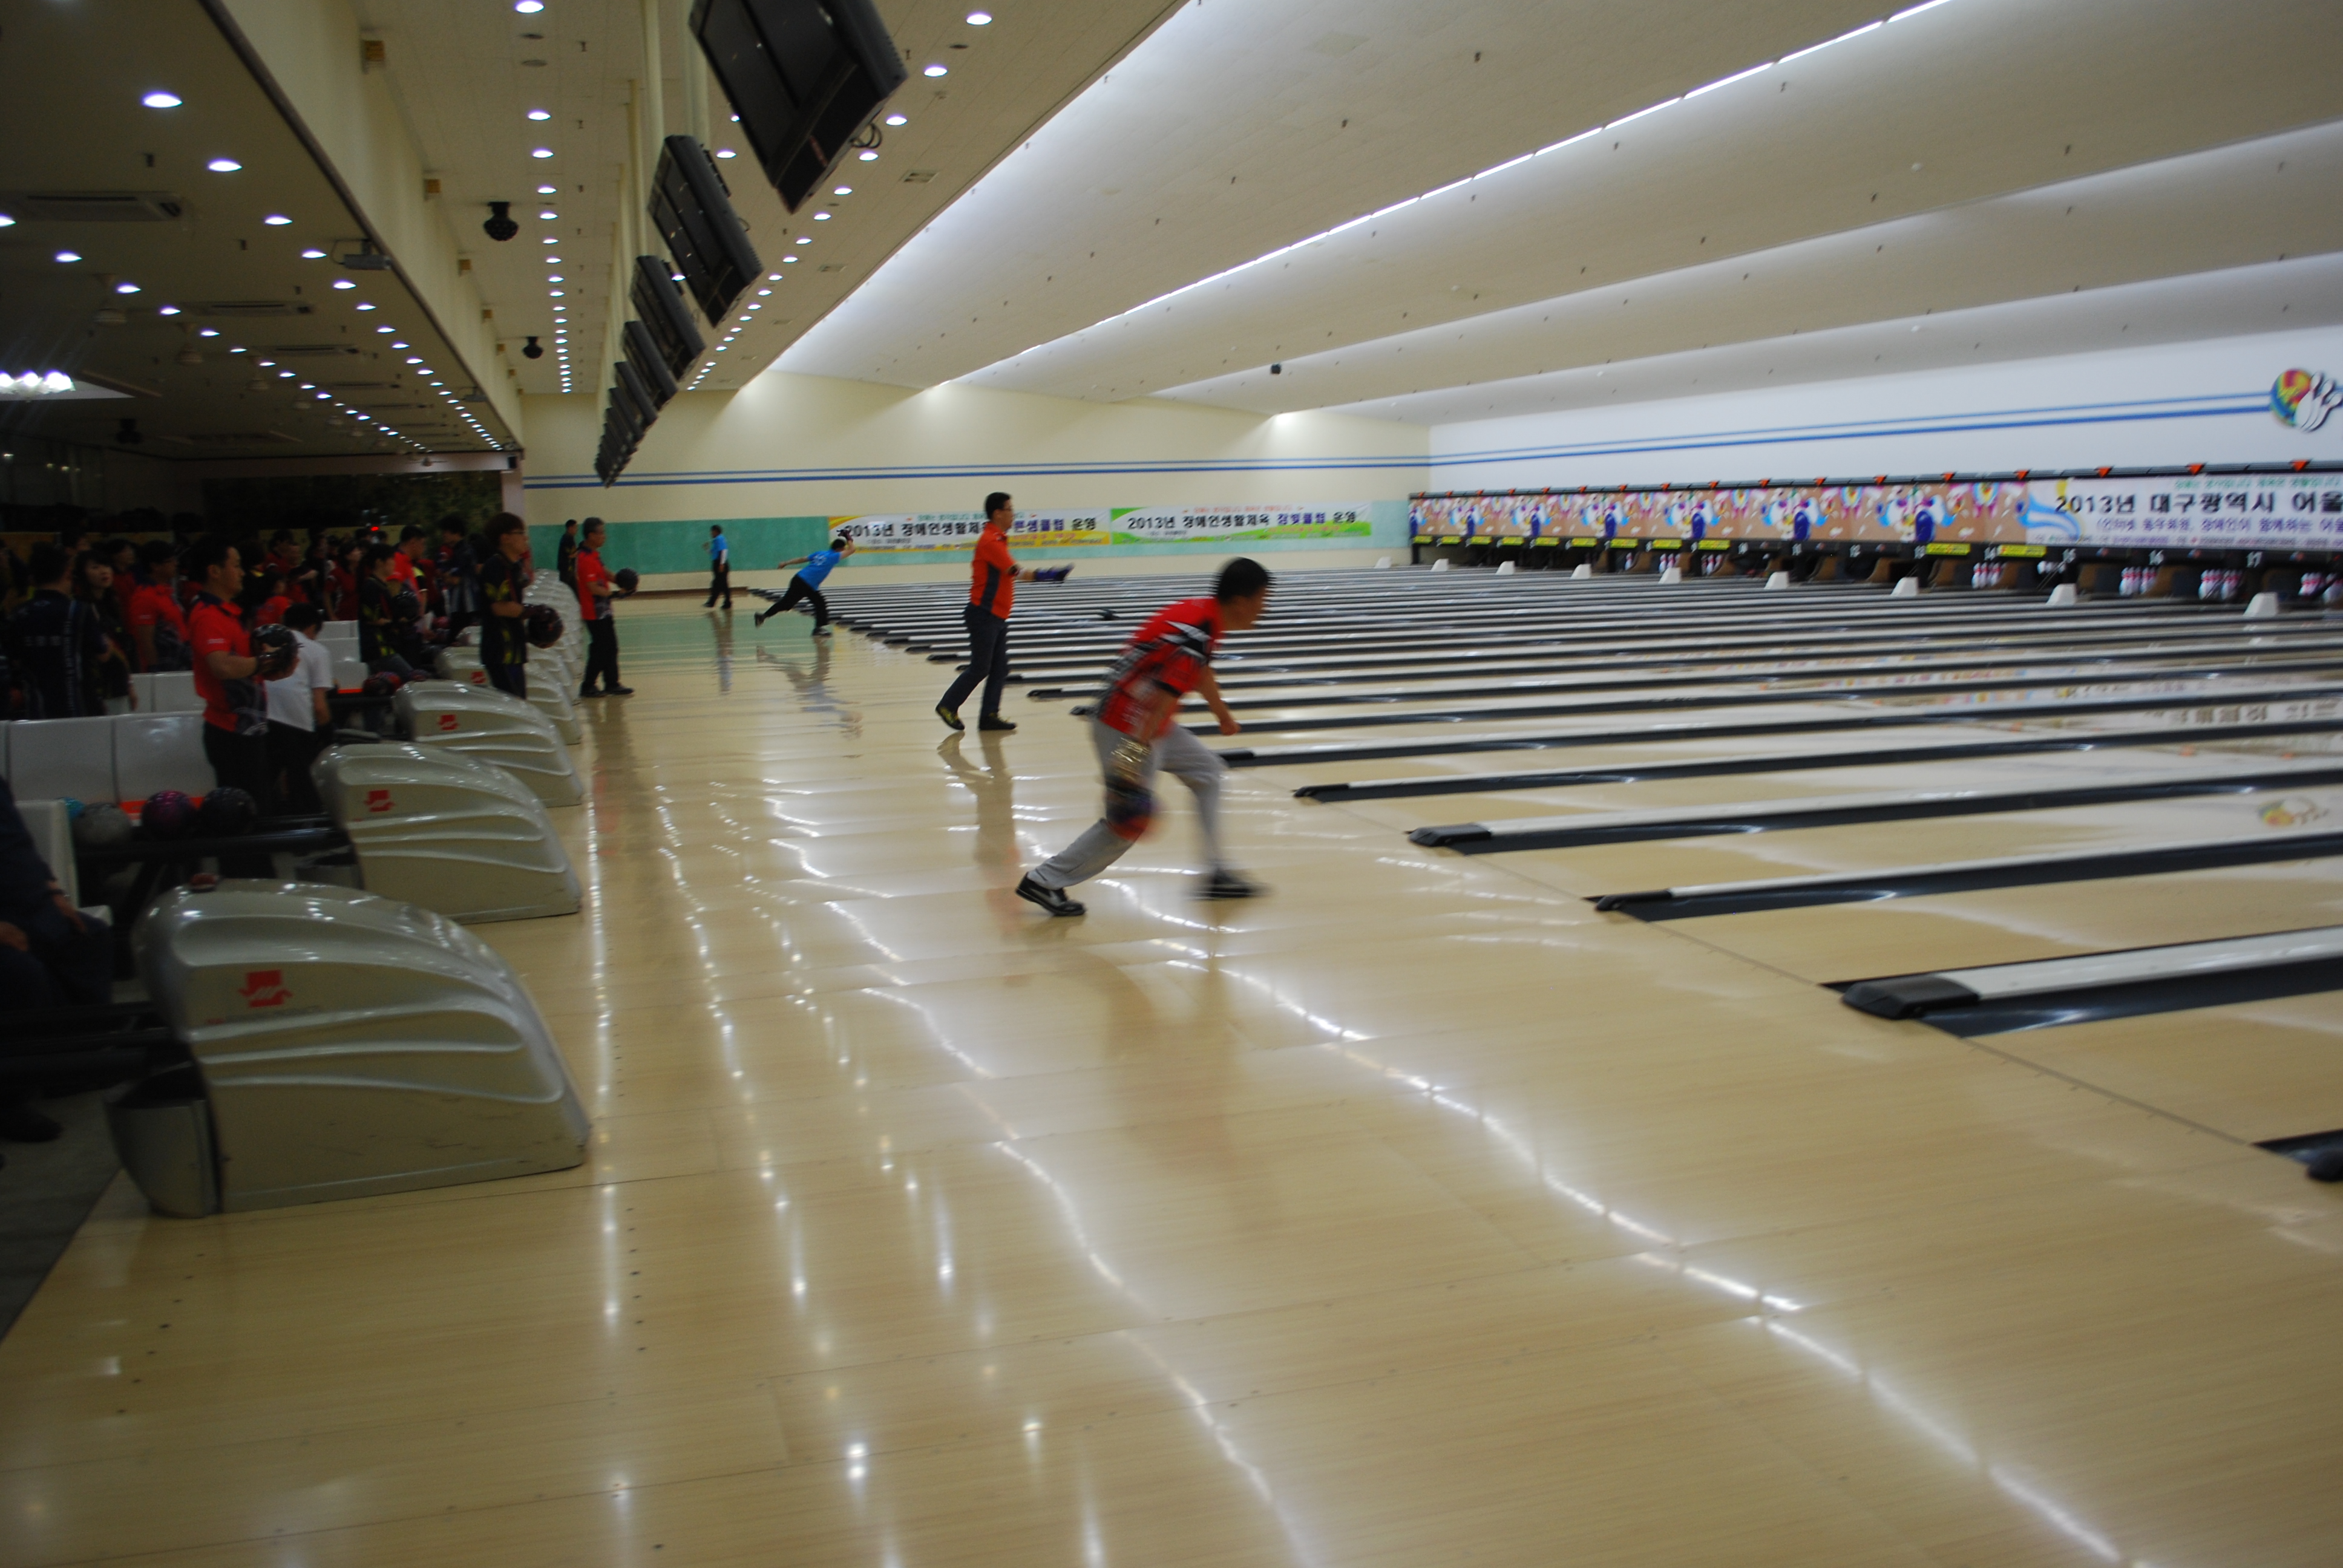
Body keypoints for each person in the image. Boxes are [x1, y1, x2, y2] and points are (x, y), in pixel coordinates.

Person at [1015, 558, 1273, 916]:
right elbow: (1160, 701)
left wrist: (1223, 716)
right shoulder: (1197, 633)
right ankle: (1044, 880)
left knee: (1208, 771)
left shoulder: (1203, 616)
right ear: (1242, 601)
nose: (1264, 608)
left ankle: (1217, 873)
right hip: (1128, 726)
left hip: (1142, 721)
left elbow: (1199, 672)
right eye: (1262, 599)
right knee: (1127, 821)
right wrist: (1129, 768)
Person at [184, 537, 277, 815]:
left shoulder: (226, 613)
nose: (242, 572)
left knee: (256, 809)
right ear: (214, 571)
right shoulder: (208, 616)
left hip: (245, 728)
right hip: (231, 732)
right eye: (235, 566)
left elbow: (244, 667)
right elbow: (222, 667)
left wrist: (268, 663)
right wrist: (263, 662)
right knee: (243, 815)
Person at [936, 493, 1039, 734]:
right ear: (998, 513)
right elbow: (1017, 572)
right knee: (981, 667)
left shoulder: (998, 539)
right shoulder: (990, 541)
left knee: (1000, 668)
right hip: (984, 614)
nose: (1013, 514)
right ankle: (948, 705)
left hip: (996, 616)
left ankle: (989, 716)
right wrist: (1048, 575)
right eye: (1010, 509)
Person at [4, 543, 110, 718]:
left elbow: (14, 660)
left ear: (33, 578)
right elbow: (103, 654)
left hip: (35, 712)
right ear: (67, 573)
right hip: (77, 709)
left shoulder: (18, 613)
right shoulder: (79, 611)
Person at [264, 603, 335, 815]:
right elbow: (320, 706)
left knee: (266, 776)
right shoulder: (316, 650)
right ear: (312, 627)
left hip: (261, 716)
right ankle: (307, 822)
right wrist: (329, 735)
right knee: (302, 780)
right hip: (295, 720)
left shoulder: (266, 644)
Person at [573, 518, 632, 697]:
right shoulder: (584, 559)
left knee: (611, 647)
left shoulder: (593, 555)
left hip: (603, 610)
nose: (604, 536)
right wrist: (616, 594)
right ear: (591, 535)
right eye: (602, 533)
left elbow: (606, 574)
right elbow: (593, 588)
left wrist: (624, 582)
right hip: (594, 612)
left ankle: (612, 683)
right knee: (600, 649)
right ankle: (588, 686)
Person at [476, 512, 532, 699]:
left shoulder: (513, 566)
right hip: (501, 652)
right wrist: (532, 611)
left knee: (520, 704)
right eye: (521, 533)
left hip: (513, 651)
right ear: (505, 538)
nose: (525, 538)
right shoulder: (495, 567)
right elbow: (499, 607)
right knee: (515, 705)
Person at [72, 549, 133, 714]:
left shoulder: (112, 604)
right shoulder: (81, 609)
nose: (104, 571)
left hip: (117, 683)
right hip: (96, 686)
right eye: (95, 567)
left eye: (106, 566)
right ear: (82, 574)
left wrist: (128, 684)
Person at [752, 534, 851, 633]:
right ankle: (763, 616)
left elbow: (802, 559)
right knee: (792, 604)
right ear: (839, 549)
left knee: (817, 603)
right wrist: (848, 537)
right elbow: (852, 550)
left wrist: (786, 563)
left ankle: (819, 628)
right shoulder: (834, 556)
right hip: (805, 584)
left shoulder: (820, 553)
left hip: (800, 580)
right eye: (843, 549)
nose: (844, 551)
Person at [129, 540, 191, 671]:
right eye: (170, 561)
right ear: (155, 566)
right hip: (164, 668)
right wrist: (155, 670)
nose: (176, 564)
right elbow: (146, 640)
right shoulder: (145, 597)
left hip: (179, 662)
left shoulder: (165, 592)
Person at [356, 544, 418, 677]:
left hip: (388, 648)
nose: (394, 563)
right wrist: (395, 622)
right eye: (392, 559)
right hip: (379, 651)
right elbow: (372, 620)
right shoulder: (371, 587)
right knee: (413, 678)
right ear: (380, 562)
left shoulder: (382, 586)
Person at [436, 515, 482, 636]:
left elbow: (454, 580)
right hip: (464, 606)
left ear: (456, 533)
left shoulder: (463, 552)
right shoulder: (458, 551)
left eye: (446, 532)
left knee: (459, 638)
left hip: (465, 606)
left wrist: (446, 576)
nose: (443, 535)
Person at [704, 524, 732, 610]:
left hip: (720, 563)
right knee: (721, 584)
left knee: (718, 584)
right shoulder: (716, 540)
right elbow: (713, 552)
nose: (711, 533)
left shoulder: (719, 539)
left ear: (716, 531)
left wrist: (722, 564)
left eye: (712, 532)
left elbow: (724, 551)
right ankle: (724, 602)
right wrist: (707, 549)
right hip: (718, 562)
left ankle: (714, 602)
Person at [556, 518, 579, 589]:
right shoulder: (567, 539)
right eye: (575, 527)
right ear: (570, 528)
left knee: (574, 589)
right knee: (565, 588)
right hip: (566, 569)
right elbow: (570, 555)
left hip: (570, 570)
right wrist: (579, 553)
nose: (577, 530)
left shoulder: (570, 538)